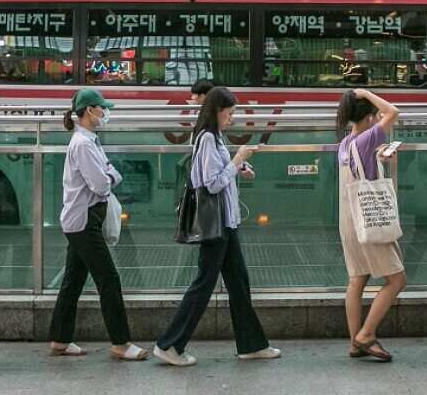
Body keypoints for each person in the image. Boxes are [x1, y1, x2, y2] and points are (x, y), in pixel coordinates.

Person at [154, 86, 280, 366]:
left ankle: (252, 344)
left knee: (238, 282)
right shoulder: (208, 138)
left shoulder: (215, 137)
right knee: (204, 283)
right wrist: (238, 160)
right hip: (217, 224)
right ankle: (170, 345)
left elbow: (218, 174)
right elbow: (211, 183)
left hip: (226, 223)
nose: (232, 118)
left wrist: (238, 168)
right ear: (218, 110)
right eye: (230, 112)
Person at [48, 90, 147, 361]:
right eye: (102, 108)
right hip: (84, 221)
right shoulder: (83, 144)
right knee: (109, 279)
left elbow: (105, 175)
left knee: (73, 280)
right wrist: (112, 175)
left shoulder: (89, 141)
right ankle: (120, 342)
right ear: (89, 111)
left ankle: (60, 338)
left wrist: (108, 174)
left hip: (81, 219)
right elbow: (102, 183)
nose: (105, 113)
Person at [335, 89, 405, 362]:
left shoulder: (346, 143)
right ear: (368, 116)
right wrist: (366, 92)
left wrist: (379, 158)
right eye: (374, 115)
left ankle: (355, 343)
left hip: (349, 220)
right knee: (397, 280)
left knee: (357, 279)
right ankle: (366, 335)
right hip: (370, 219)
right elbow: (394, 112)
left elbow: (359, 168)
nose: (379, 119)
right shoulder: (369, 136)